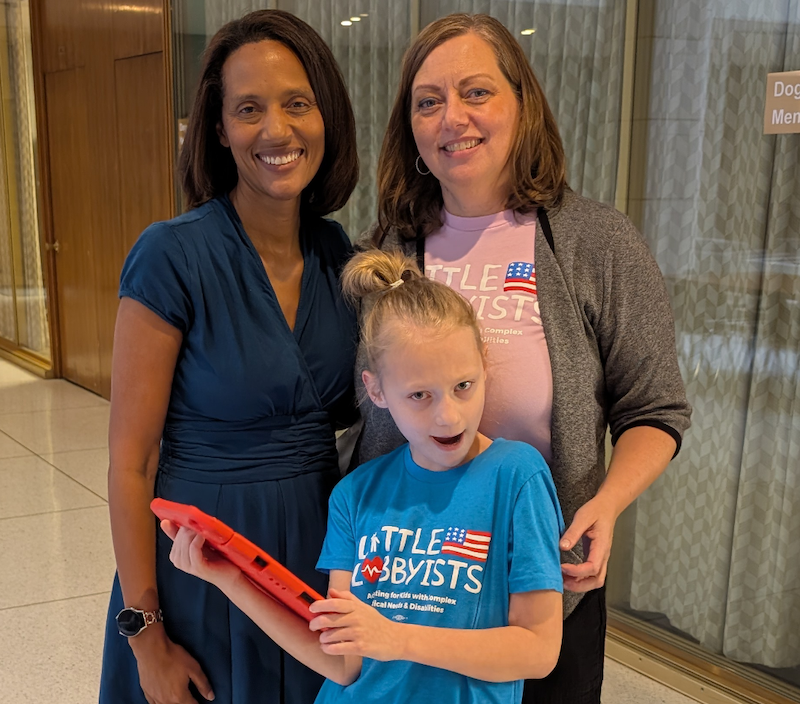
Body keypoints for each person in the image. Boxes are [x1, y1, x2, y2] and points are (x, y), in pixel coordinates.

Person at [355, 13, 692, 703]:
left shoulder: (597, 243)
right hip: (410, 592)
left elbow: (654, 407)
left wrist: (607, 503)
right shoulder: (389, 247)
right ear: (411, 129)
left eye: (476, 92)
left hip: (542, 590)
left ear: (522, 105)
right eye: (428, 101)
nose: (453, 117)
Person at [163, 248, 566, 704]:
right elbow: (342, 662)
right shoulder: (355, 494)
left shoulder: (517, 476)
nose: (448, 415)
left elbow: (538, 649)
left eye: (463, 386)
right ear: (376, 390)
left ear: (484, 368)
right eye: (419, 395)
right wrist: (229, 579)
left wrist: (397, 638)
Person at [98, 10, 359, 704]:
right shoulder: (172, 255)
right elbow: (130, 464)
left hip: (313, 563)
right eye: (249, 109)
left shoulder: (343, 258)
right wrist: (145, 635)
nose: (276, 130)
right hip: (202, 567)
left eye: (296, 104)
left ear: (325, 115)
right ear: (218, 130)